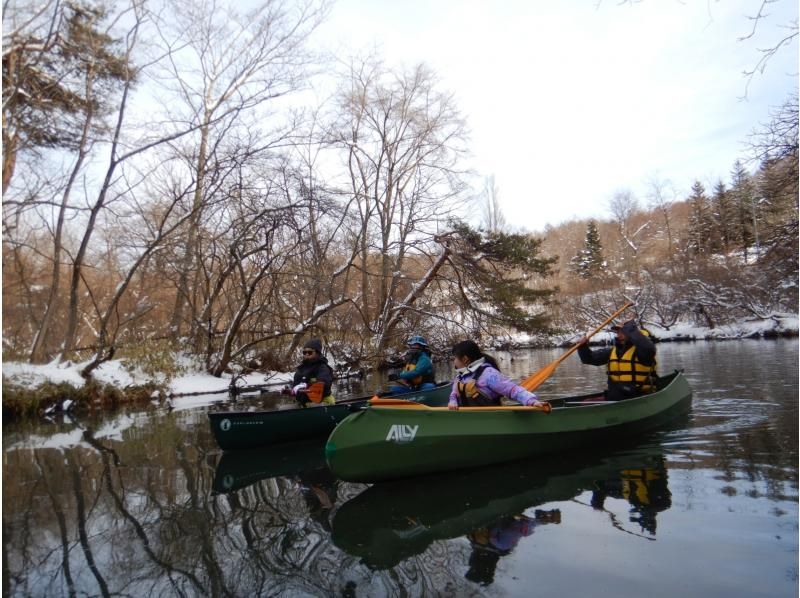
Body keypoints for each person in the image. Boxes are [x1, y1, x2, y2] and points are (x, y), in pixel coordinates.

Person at [576, 316, 658, 401]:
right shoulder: (612, 351)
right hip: (615, 396)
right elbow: (588, 359)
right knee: (586, 402)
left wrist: (631, 329)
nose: (619, 334)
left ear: (630, 333)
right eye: (618, 331)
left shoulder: (643, 350)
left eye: (623, 331)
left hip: (639, 395)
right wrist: (582, 347)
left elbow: (649, 348)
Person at [448, 340, 547, 410]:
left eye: (455, 358)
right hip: (469, 419)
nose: (454, 361)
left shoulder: (488, 374)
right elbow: (454, 394)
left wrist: (532, 401)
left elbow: (512, 389)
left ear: (465, 359)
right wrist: (453, 402)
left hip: (490, 418)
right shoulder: (460, 377)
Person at [282, 338, 336, 406]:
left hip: (322, 401)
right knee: (285, 407)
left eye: (310, 352)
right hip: (304, 402)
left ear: (317, 353)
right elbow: (296, 385)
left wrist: (305, 385)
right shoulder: (301, 369)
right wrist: (290, 390)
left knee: (313, 405)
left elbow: (324, 383)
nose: (306, 354)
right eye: (304, 352)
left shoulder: (322, 367)